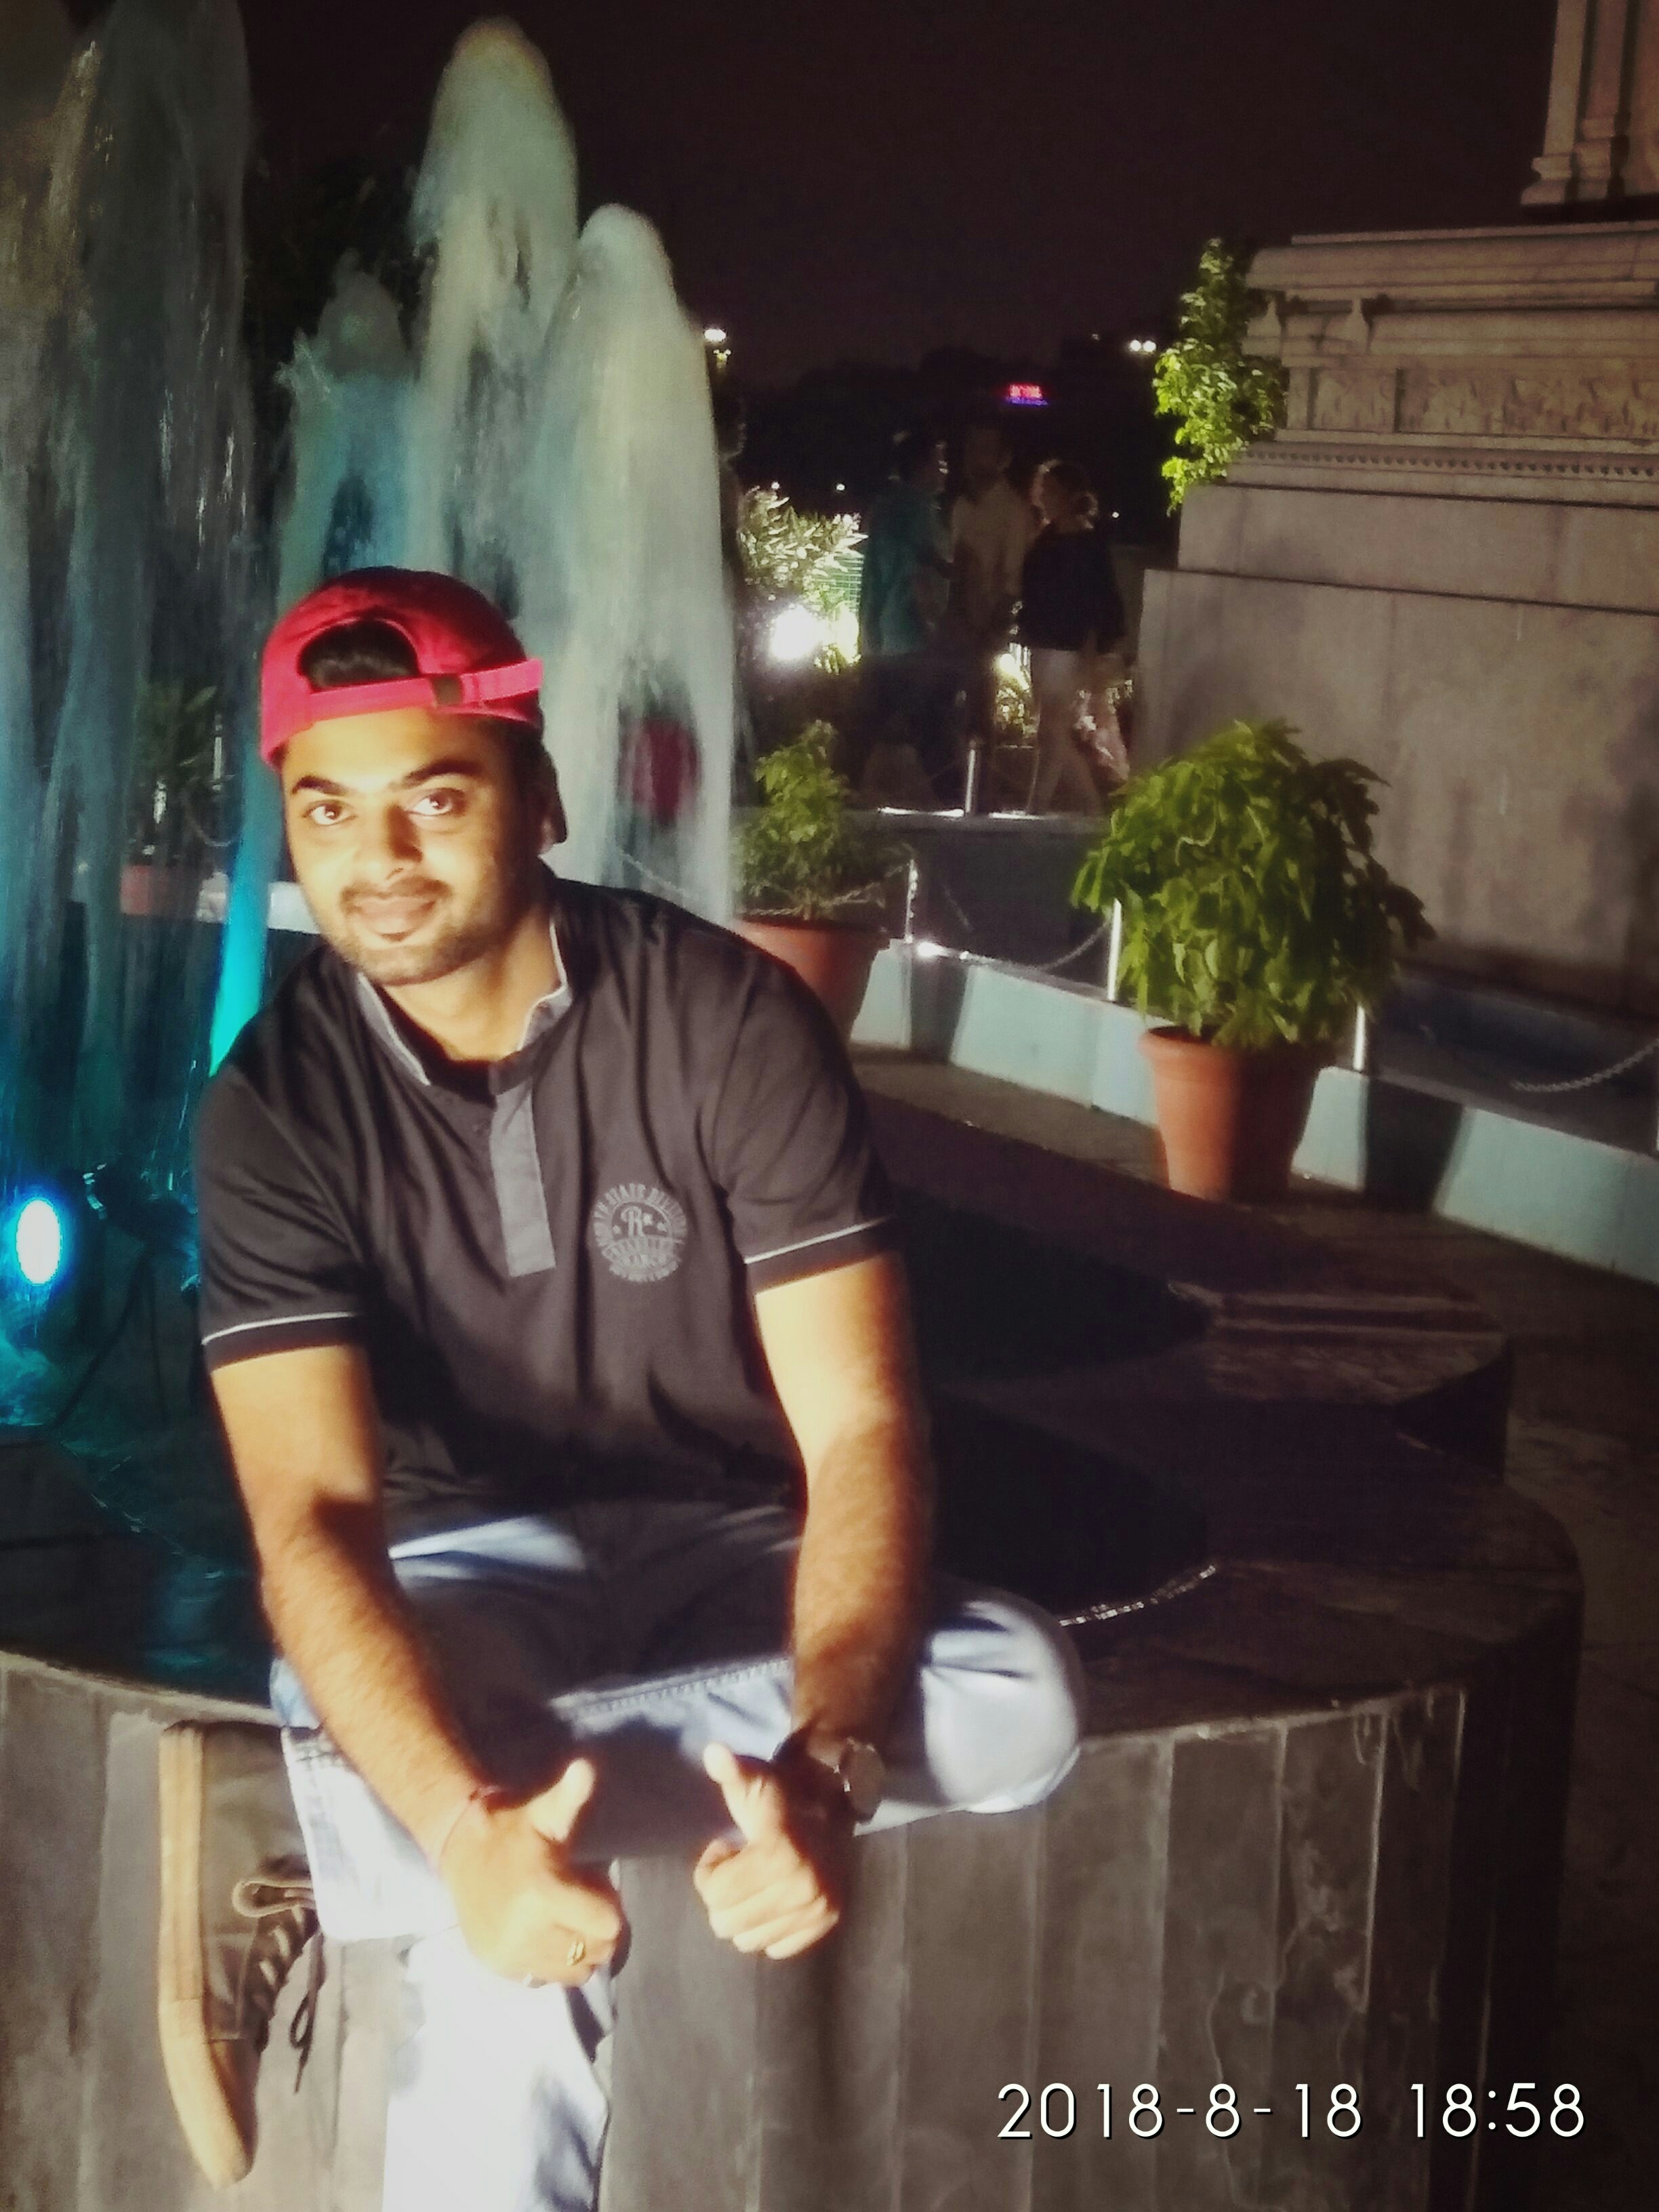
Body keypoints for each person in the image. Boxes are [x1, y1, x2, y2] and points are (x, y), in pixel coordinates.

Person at [158, 567, 1084, 2211]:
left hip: (730, 1547)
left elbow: (862, 1428)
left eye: (435, 799)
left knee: (1021, 1694)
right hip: (460, 1575)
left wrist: (830, 1762)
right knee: (502, 1945)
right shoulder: (276, 1107)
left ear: (541, 800)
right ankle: (406, 1821)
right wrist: (472, 1839)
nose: (377, 859)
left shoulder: (727, 1023)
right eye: (327, 810)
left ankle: (314, 1818)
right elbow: (312, 1521)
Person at [1016, 459, 1128, 813]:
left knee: (1051, 729)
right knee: (1051, 731)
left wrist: (1095, 651)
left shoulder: (1087, 544)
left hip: (1068, 647)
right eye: (1043, 490)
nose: (1044, 498)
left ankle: (1038, 807)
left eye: (1052, 491)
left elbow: (1101, 602)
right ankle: (1088, 808)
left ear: (1069, 495)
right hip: (1043, 642)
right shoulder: (1045, 539)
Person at [855, 428, 958, 800]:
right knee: (930, 723)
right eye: (939, 463)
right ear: (921, 467)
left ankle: (835, 790)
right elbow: (920, 572)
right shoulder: (918, 509)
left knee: (870, 721)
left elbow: (879, 571)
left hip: (881, 632)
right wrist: (935, 623)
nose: (945, 470)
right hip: (911, 633)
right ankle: (955, 799)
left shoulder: (886, 507)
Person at [947, 415, 1035, 760]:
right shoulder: (962, 505)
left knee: (979, 713)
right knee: (948, 711)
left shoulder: (1014, 510)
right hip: (952, 622)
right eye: (971, 449)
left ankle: (978, 783)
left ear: (1004, 458)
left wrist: (989, 630)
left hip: (983, 627)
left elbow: (1013, 580)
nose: (974, 458)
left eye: (985, 450)